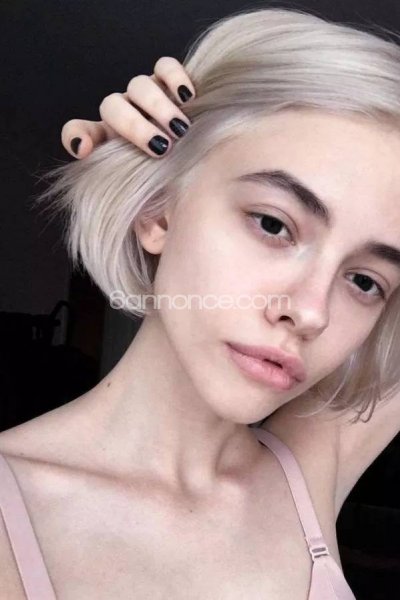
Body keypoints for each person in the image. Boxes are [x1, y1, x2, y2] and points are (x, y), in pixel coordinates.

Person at [1, 6, 400, 599]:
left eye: (365, 281)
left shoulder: (309, 471)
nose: (311, 312)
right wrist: (146, 164)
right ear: (158, 210)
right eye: (273, 223)